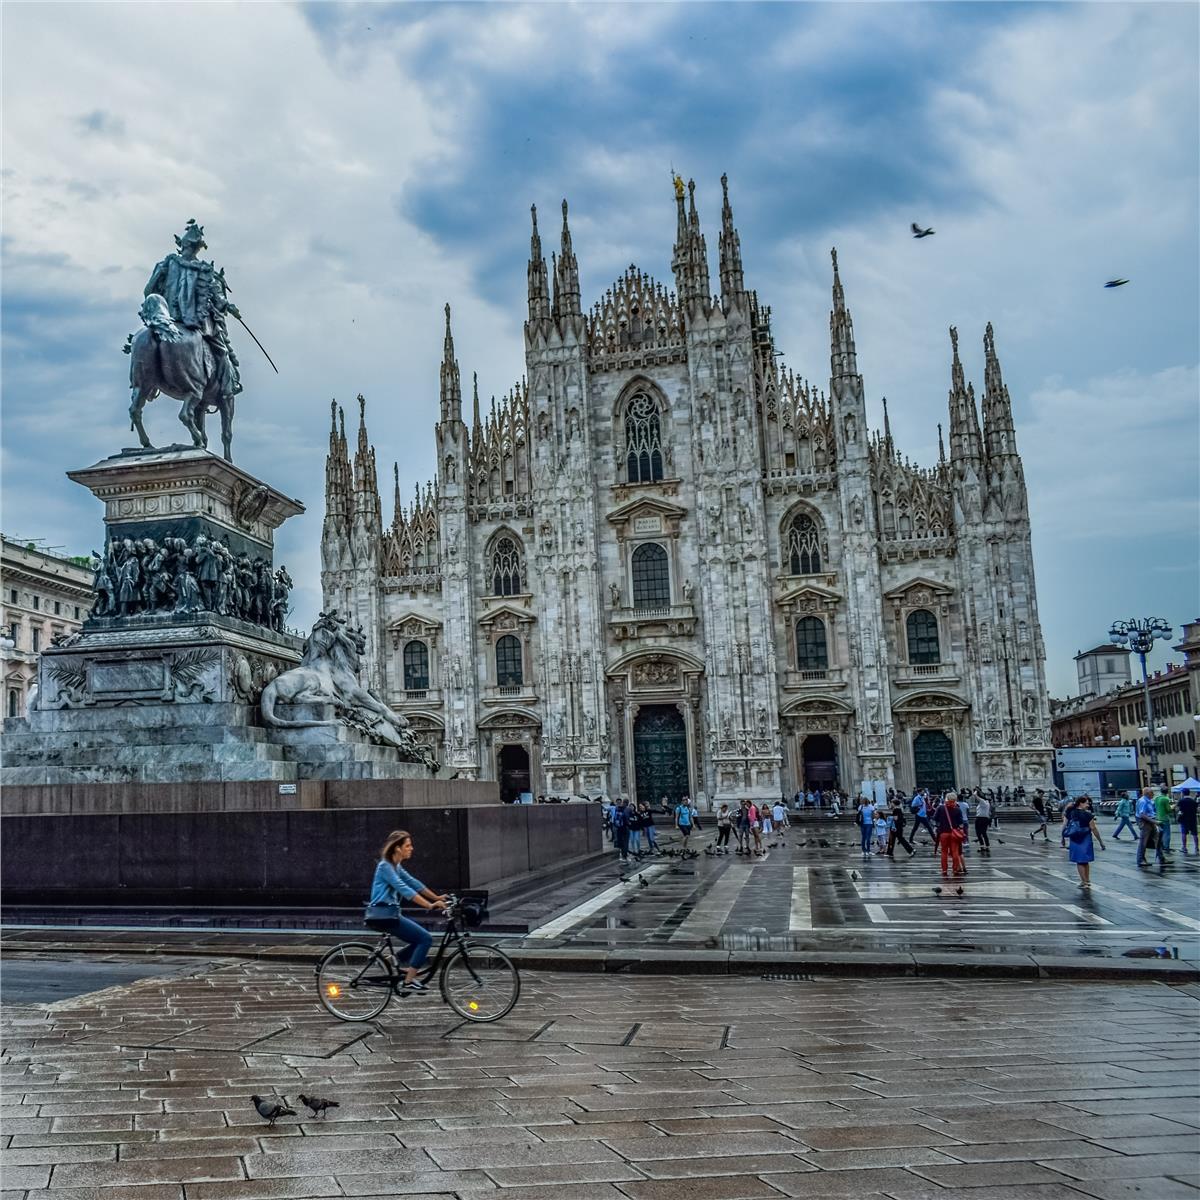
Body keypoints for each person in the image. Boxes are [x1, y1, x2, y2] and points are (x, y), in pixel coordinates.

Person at [365, 829, 448, 992]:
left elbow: (413, 883)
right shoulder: (385, 866)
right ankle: (408, 982)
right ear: (397, 848)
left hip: (390, 914)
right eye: (408, 845)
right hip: (384, 915)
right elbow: (404, 889)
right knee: (425, 939)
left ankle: (391, 961)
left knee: (418, 939)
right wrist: (429, 905)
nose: (412, 848)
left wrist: (436, 897)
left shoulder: (395, 866)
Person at [1063, 794, 1105, 888]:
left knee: (1079, 861)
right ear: (1081, 803)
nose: (1088, 805)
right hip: (1086, 839)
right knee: (1085, 861)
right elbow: (1094, 829)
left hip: (1075, 839)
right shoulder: (1088, 815)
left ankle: (1084, 881)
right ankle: (1087, 880)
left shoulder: (1071, 813)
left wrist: (1063, 837)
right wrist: (1100, 841)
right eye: (1086, 803)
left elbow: (1065, 824)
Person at [935, 791, 967, 879]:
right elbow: (961, 822)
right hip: (954, 834)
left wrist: (941, 822)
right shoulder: (957, 809)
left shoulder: (940, 808)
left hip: (943, 833)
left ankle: (944, 870)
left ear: (947, 798)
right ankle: (955, 869)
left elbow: (935, 818)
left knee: (944, 852)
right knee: (955, 852)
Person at [1135, 787, 1167, 868]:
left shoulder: (1148, 801)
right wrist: (1154, 821)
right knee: (1143, 841)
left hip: (1150, 821)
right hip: (1145, 822)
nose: (1153, 794)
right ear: (1147, 793)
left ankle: (1161, 858)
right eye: (1151, 792)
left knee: (1158, 839)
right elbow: (1142, 814)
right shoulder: (1143, 801)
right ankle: (1140, 859)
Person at [1154, 786, 1175, 854]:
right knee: (1167, 834)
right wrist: (1173, 806)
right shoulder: (1166, 799)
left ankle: (1161, 846)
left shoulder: (1156, 798)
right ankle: (1166, 847)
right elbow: (1168, 810)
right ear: (1167, 792)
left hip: (1158, 817)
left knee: (1160, 833)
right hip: (1165, 818)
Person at [1178, 789, 1199, 855]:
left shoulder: (1181, 801)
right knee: (1195, 834)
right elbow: (1196, 810)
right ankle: (1196, 847)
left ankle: (1184, 847)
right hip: (1193, 819)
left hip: (1184, 819)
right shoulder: (1193, 801)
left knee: (1184, 833)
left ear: (1183, 793)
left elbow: (1180, 810)